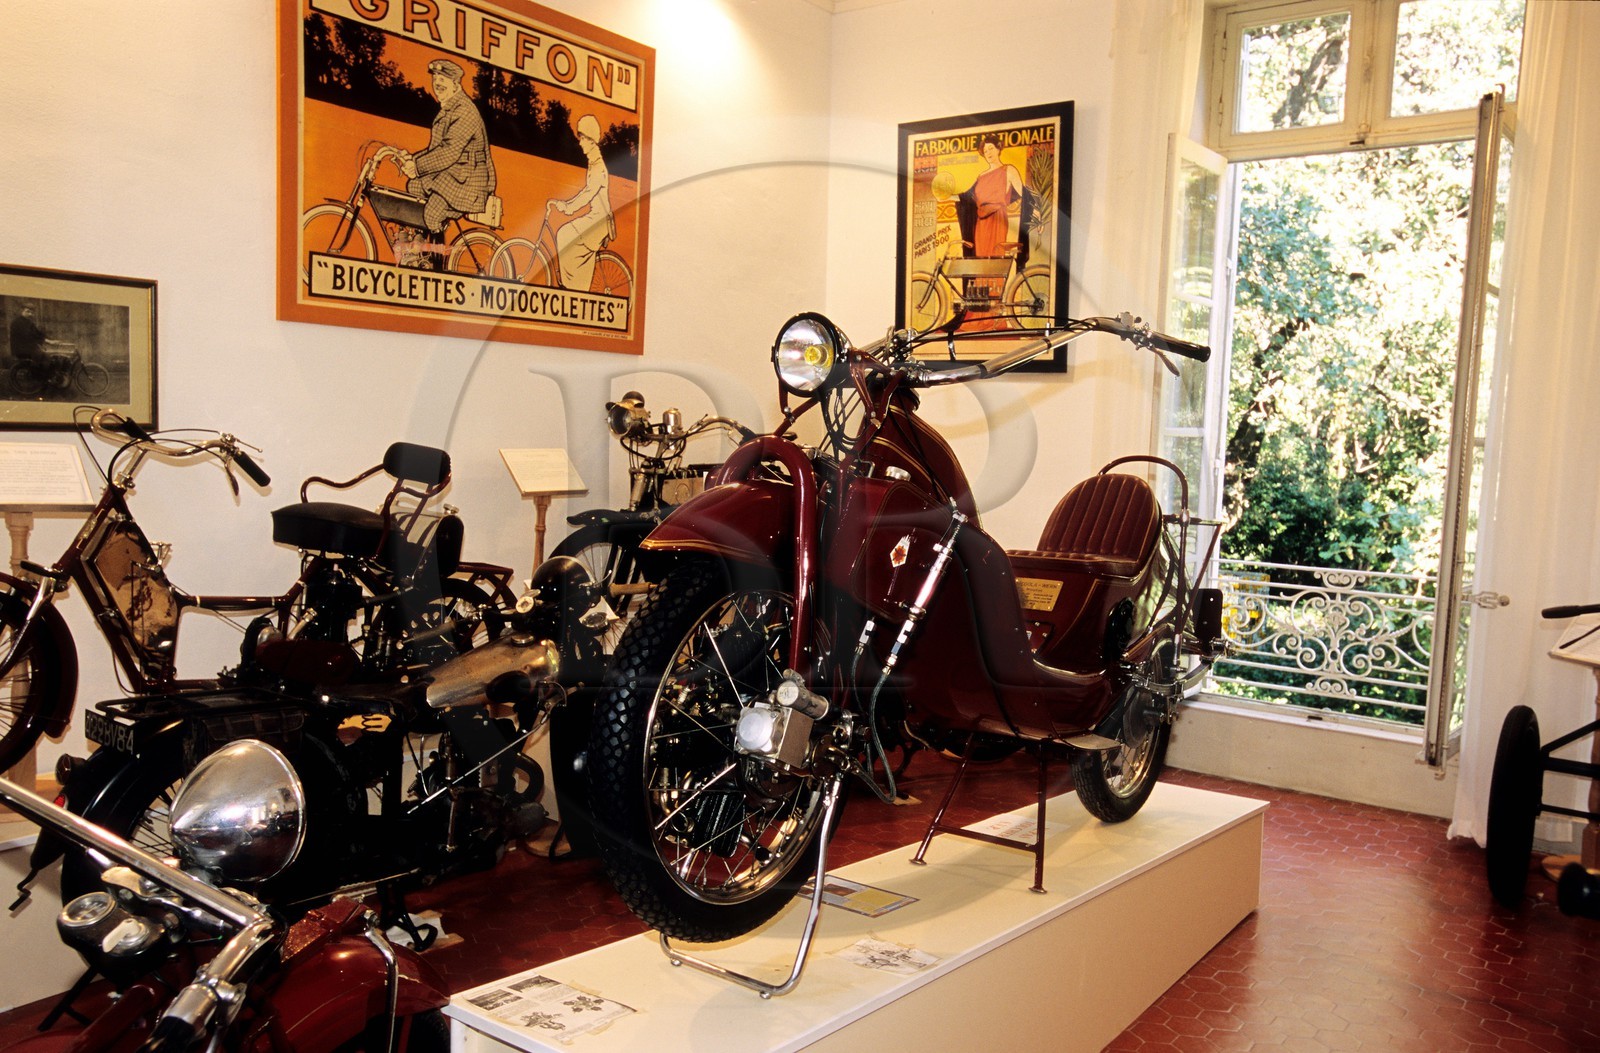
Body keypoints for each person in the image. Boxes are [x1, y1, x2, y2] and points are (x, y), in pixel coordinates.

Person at [397, 59, 496, 244]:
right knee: (414, 187)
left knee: (432, 213)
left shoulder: (464, 111)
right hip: (455, 175)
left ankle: (437, 259)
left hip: (470, 182)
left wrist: (417, 167)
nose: (437, 83)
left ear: (455, 83)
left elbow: (449, 151)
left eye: (443, 79)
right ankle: (419, 245)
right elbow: (436, 149)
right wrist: (412, 159)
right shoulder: (450, 108)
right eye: (435, 78)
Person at [548, 114, 617, 292]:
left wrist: (568, 207)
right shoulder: (593, 163)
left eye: (583, 139)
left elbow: (588, 193)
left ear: (592, 141)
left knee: (564, 234)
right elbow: (588, 192)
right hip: (596, 218)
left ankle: (572, 288)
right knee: (568, 239)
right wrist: (567, 204)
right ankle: (575, 286)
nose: (580, 143)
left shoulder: (598, 167)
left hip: (599, 220)